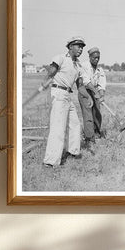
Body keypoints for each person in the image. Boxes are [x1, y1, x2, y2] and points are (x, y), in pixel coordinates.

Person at [42, 36, 91, 167]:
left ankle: (72, 152)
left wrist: (89, 97)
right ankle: (51, 162)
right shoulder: (60, 58)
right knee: (58, 128)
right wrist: (46, 79)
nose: (80, 49)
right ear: (70, 47)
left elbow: (80, 85)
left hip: (68, 95)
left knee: (75, 124)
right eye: (78, 46)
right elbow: (51, 70)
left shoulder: (78, 65)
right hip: (58, 93)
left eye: (82, 47)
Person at [79, 47, 107, 143]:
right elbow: (86, 82)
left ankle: (96, 133)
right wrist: (96, 92)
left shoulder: (100, 69)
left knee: (97, 113)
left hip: (95, 91)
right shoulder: (84, 66)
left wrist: (101, 95)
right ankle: (89, 138)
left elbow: (102, 84)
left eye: (98, 57)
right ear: (90, 57)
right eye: (94, 57)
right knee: (88, 115)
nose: (96, 59)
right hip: (85, 91)